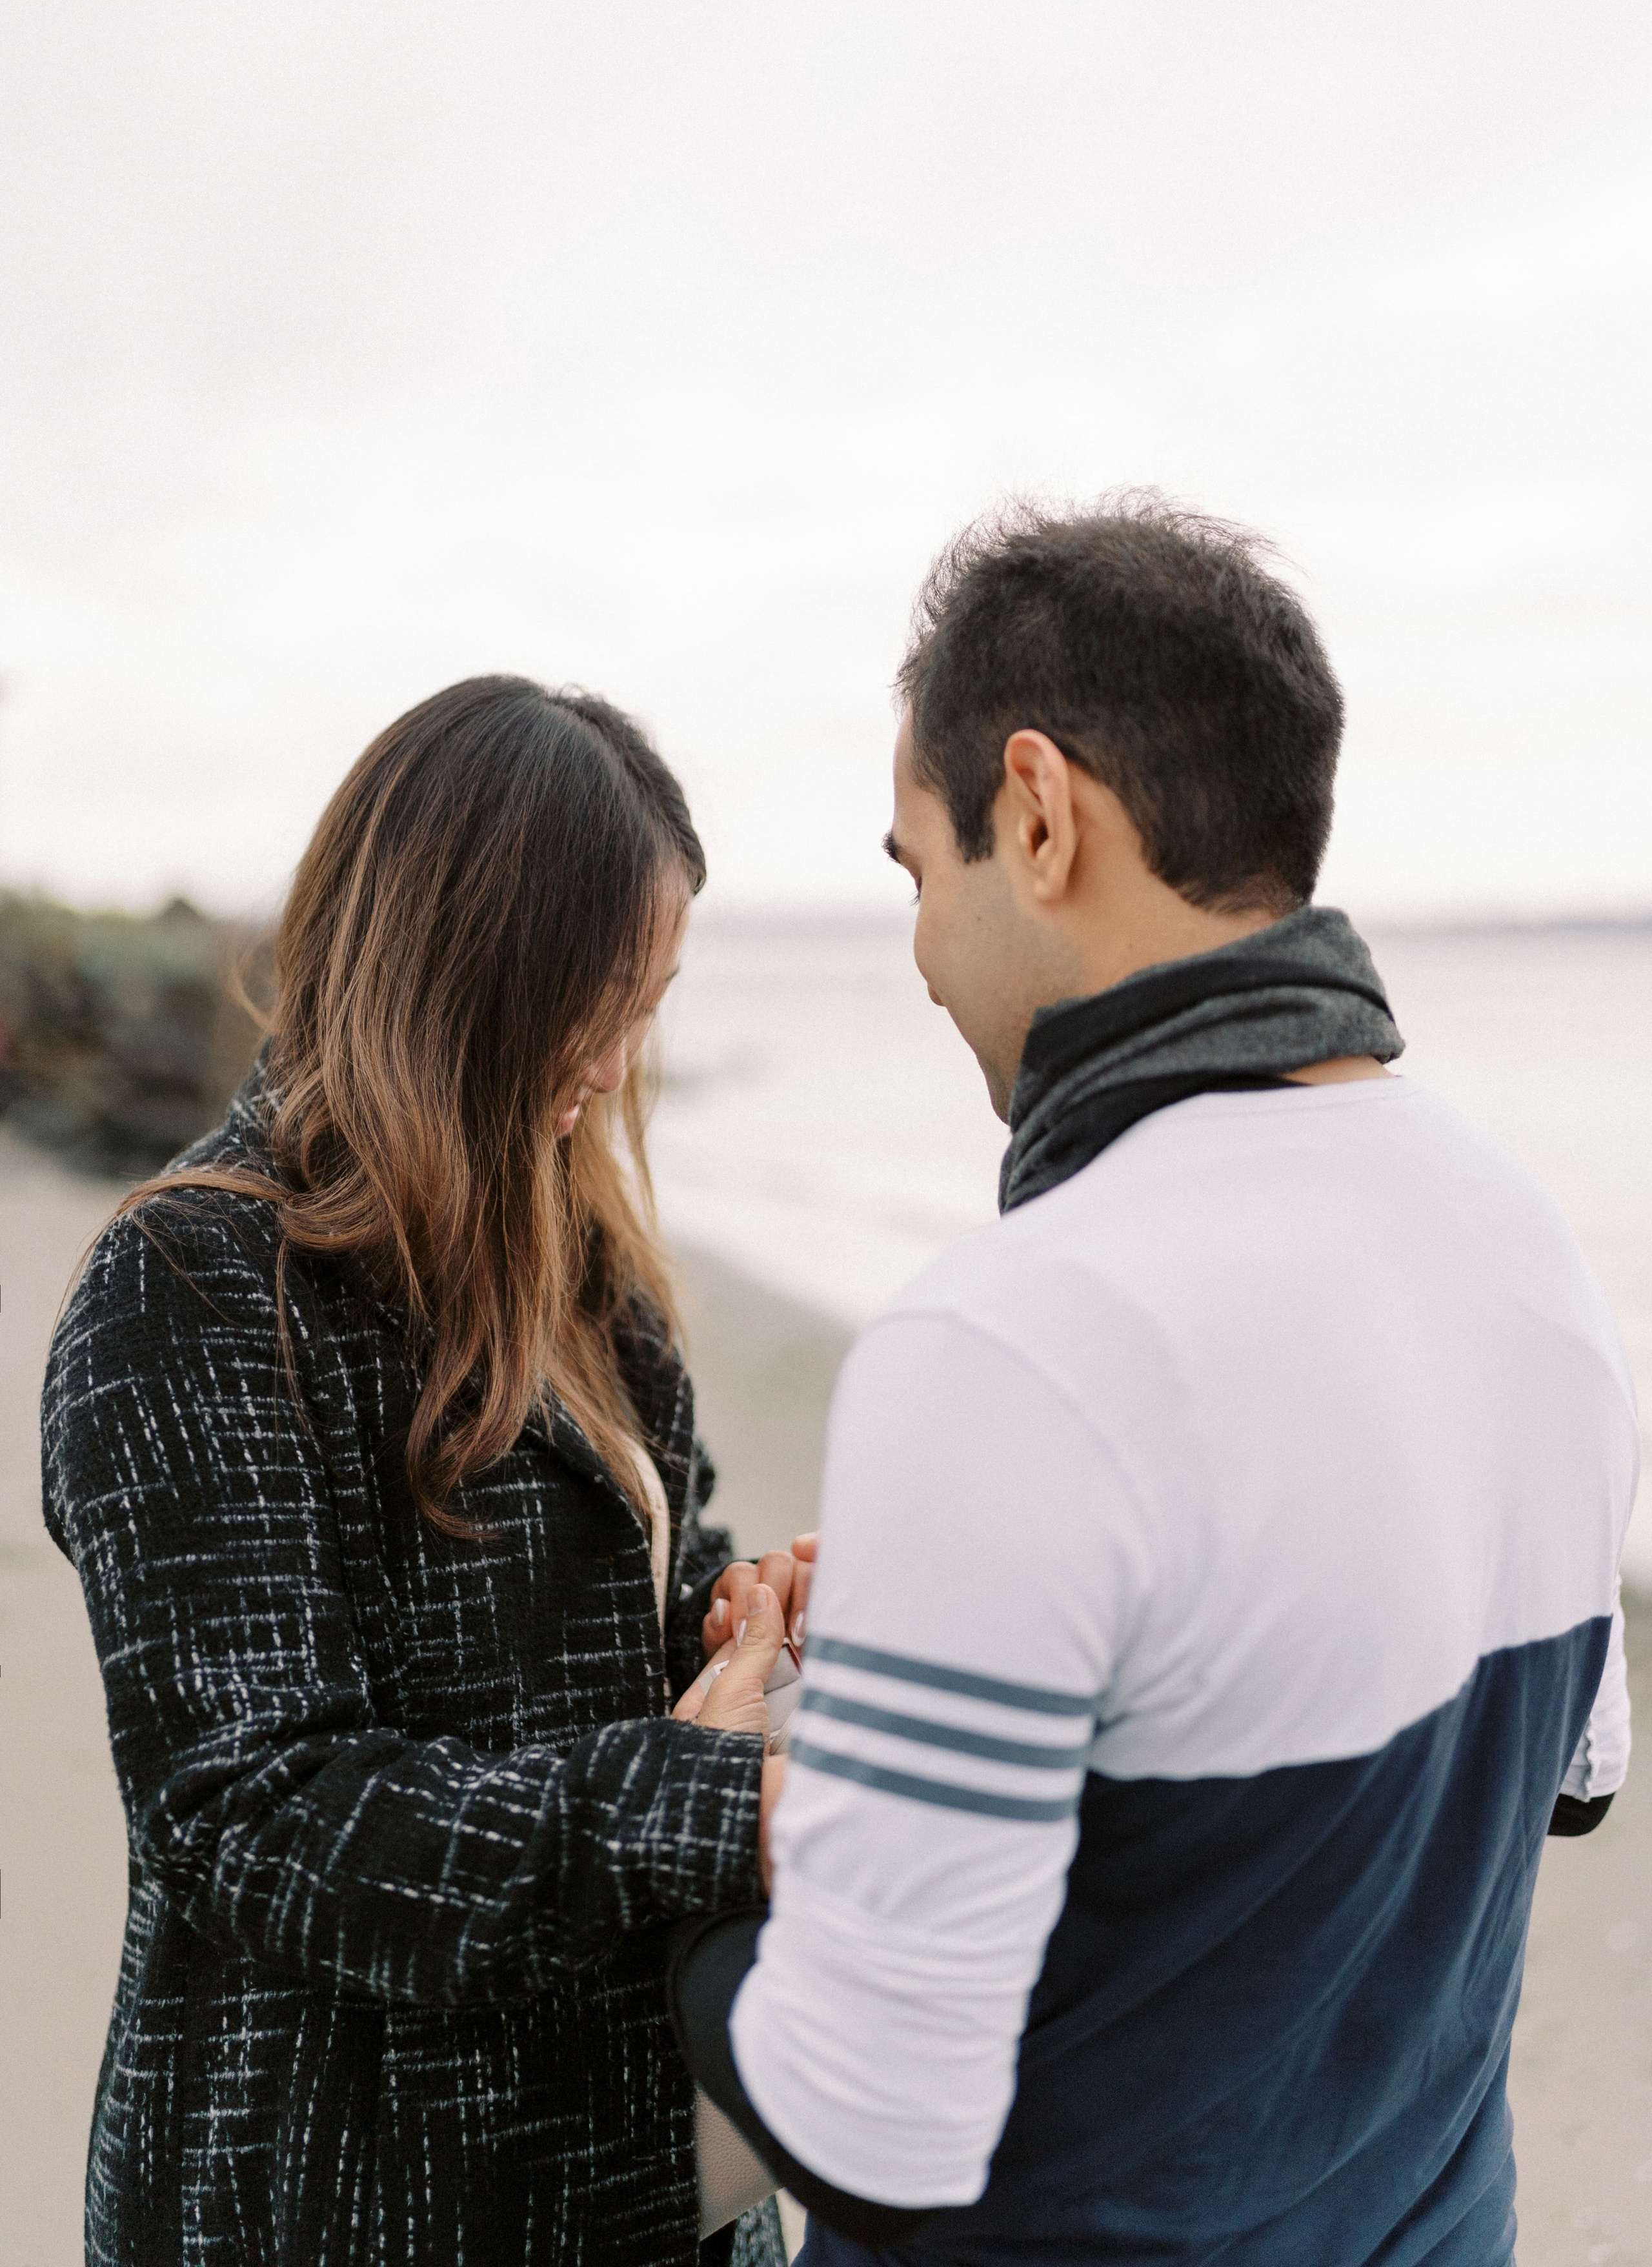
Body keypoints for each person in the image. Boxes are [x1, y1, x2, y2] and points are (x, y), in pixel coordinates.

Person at [671, 499, 1637, 2266]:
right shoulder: (1539, 1264)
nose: (917, 952)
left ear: (1037, 817)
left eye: (915, 868)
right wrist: (966, 1653)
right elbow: (1555, 1789)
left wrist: (694, 1833)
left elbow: (871, 2128)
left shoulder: (1012, 1349)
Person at [42, 676, 805, 2267]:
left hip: (641, 2174)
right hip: (331, 2199)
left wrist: (736, 1624)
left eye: (649, 997)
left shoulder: (581, 1258)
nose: (618, 1052)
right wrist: (712, 1804)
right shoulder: (189, 1291)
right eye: (598, 992)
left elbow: (618, 1598)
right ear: (470, 967)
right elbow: (265, 1817)